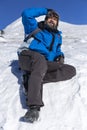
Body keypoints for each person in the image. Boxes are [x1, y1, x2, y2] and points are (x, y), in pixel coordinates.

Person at [17, 8, 76, 123]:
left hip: (42, 64)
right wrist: (45, 10)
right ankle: (34, 107)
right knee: (40, 60)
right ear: (45, 19)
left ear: (57, 23)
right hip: (27, 57)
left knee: (70, 70)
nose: (52, 20)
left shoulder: (58, 37)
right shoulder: (35, 28)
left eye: (55, 19)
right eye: (50, 18)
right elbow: (26, 14)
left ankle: (31, 80)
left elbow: (57, 50)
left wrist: (60, 56)